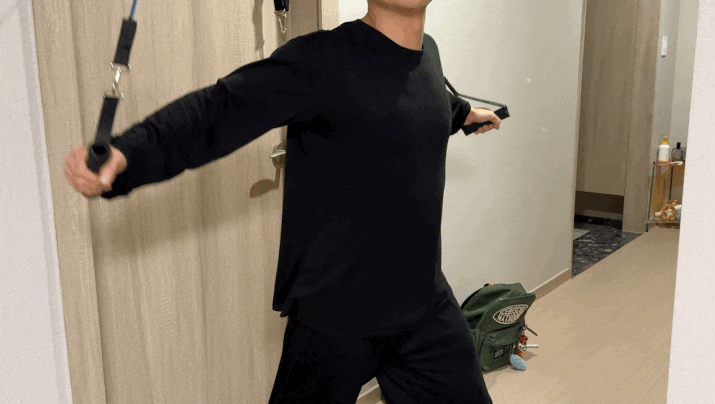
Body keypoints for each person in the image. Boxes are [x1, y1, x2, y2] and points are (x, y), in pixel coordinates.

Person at [65, 0, 500, 402]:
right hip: (336, 316)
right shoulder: (322, 60)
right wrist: (130, 153)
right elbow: (219, 110)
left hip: (423, 306)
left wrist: (462, 114)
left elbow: (413, 103)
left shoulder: (428, 54)